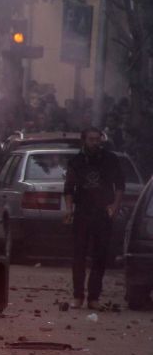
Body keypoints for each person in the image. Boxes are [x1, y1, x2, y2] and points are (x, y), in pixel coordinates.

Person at [63, 126, 125, 309]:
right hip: (82, 212)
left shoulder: (110, 159)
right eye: (91, 139)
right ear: (84, 140)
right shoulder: (76, 161)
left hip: (102, 213)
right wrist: (69, 209)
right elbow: (69, 188)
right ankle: (78, 296)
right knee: (79, 256)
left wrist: (115, 206)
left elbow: (120, 185)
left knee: (100, 256)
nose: (95, 142)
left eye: (98, 139)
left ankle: (94, 298)